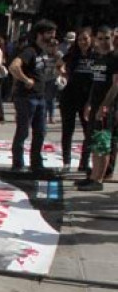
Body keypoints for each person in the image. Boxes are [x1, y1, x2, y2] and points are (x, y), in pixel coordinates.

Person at [10, 20, 59, 172]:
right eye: (49, 33)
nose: (52, 36)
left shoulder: (43, 52)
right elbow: (14, 66)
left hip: (40, 97)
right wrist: (25, 80)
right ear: (40, 34)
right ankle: (18, 163)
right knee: (23, 130)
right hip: (26, 97)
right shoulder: (29, 50)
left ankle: (36, 162)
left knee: (40, 131)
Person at [76, 26, 117, 191]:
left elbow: (116, 85)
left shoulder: (115, 57)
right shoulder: (98, 57)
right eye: (100, 38)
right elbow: (95, 83)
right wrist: (89, 103)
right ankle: (93, 175)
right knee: (94, 141)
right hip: (95, 104)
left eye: (107, 38)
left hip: (108, 107)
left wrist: (105, 105)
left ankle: (99, 179)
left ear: (112, 37)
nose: (104, 42)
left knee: (102, 142)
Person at [60, 29, 96, 172]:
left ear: (91, 39)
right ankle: (66, 162)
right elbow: (60, 63)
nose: (82, 42)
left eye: (85, 39)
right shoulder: (73, 53)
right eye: (80, 40)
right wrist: (63, 72)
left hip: (87, 97)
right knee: (68, 130)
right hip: (70, 95)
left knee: (88, 131)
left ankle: (84, 162)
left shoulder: (96, 55)